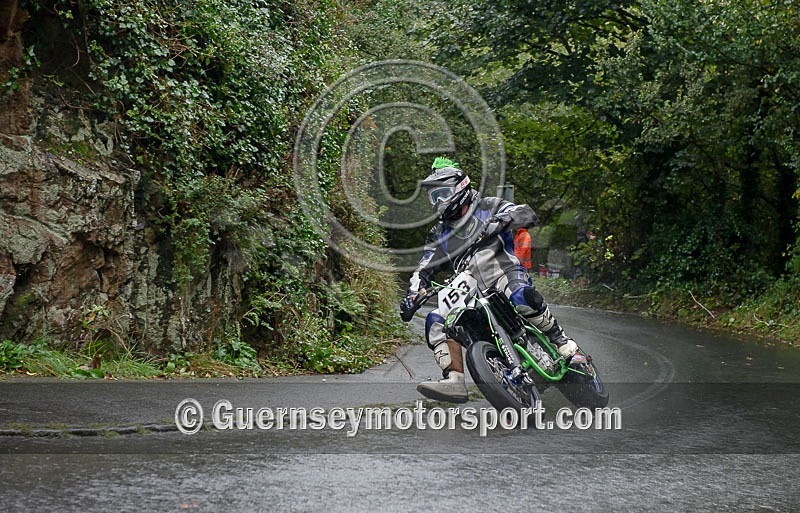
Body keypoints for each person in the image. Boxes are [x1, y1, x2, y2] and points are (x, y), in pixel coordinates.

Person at [400, 157, 578, 403]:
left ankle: (561, 341)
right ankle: (454, 379)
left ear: (459, 189)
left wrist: (502, 221)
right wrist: (413, 294)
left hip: (502, 271)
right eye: (433, 197)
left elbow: (525, 213)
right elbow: (424, 266)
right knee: (436, 319)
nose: (438, 201)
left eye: (442, 194)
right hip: (468, 285)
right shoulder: (439, 232)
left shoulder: (488, 206)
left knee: (522, 298)